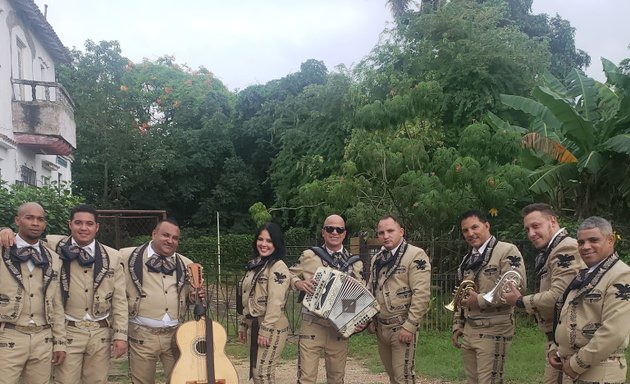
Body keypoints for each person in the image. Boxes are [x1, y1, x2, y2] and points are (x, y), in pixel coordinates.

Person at [0, 204, 128, 384]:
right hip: (68, 329)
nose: (84, 228)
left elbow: (120, 299)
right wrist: (4, 230)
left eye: (89, 224)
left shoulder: (114, 256)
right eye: (78, 223)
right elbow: (27, 239)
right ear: (70, 225)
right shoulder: (54, 247)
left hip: (100, 331)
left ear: (97, 227)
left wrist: (120, 335)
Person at [502, 203, 583, 384]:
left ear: (552, 221)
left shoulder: (565, 247)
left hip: (571, 342)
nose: (531, 233)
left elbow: (560, 295)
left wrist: (520, 301)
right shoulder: (551, 250)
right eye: (527, 229)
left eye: (536, 226)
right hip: (558, 341)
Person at [549, 216, 630, 383]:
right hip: (574, 369)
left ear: (610, 240)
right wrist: (556, 349)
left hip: (600, 371)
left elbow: (614, 332)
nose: (585, 247)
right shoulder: (585, 274)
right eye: (581, 242)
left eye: (593, 240)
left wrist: (576, 364)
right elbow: (567, 316)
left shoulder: (621, 275)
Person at [452, 209, 526, 384]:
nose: (470, 233)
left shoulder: (507, 250)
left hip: (494, 329)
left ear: (487, 225)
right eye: (465, 230)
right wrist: (457, 324)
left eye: (474, 227)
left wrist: (478, 300)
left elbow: (515, 288)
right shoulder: (467, 260)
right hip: (470, 330)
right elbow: (461, 295)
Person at [289, 214, 364, 384]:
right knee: (306, 377)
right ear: (323, 232)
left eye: (339, 229)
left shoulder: (355, 262)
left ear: (344, 234)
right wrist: (299, 283)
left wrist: (361, 319)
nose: (334, 232)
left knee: (336, 378)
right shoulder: (309, 255)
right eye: (330, 228)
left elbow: (362, 295)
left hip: (338, 328)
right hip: (312, 324)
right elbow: (286, 274)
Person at [120, 219, 194, 384]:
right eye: (166, 235)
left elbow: (192, 298)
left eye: (175, 238)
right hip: (142, 335)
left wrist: (196, 296)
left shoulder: (187, 264)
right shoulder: (126, 256)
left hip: (175, 336)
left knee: (179, 380)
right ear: (154, 234)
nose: (170, 240)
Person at [0, 202, 66, 383]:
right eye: (29, 218)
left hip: (43, 337)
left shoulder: (53, 257)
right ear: (17, 220)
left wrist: (60, 342)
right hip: (8, 335)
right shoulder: (2, 248)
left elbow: (56, 302)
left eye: (40, 219)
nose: (35, 223)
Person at [368, 214, 431, 384]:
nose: (385, 235)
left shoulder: (415, 255)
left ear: (401, 232)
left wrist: (410, 326)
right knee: (393, 377)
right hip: (381, 327)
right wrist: (368, 318)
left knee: (403, 377)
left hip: (401, 326)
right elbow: (371, 290)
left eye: (390, 231)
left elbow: (422, 294)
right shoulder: (377, 258)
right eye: (381, 232)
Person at [238, 222, 291, 383]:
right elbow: (249, 297)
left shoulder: (278, 266)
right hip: (254, 324)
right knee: (257, 373)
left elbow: (276, 301)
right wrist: (244, 322)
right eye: (260, 239)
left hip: (271, 326)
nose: (264, 244)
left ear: (276, 243)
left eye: (269, 241)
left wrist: (266, 329)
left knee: (263, 373)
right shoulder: (256, 265)